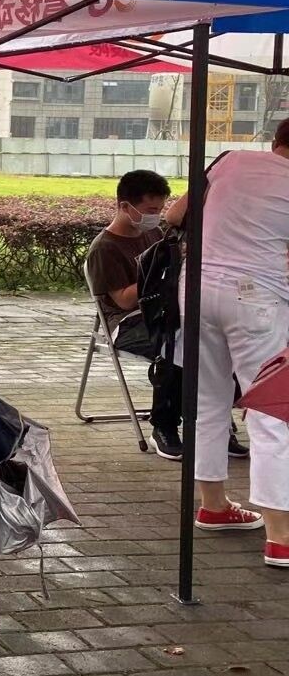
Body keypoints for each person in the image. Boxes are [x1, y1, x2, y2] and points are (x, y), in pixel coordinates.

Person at [165, 120, 289, 561]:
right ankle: (281, 536)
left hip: (197, 289)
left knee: (206, 401)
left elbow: (174, 216)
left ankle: (213, 505)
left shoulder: (230, 161)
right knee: (272, 411)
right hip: (256, 298)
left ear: (276, 141)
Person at [86, 170, 185, 459]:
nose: (156, 216)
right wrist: (162, 274)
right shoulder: (104, 249)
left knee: (208, 338)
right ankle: (163, 426)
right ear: (125, 206)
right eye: (150, 210)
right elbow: (123, 300)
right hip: (126, 323)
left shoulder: (153, 234)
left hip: (162, 312)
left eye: (160, 209)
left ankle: (214, 425)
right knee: (175, 345)